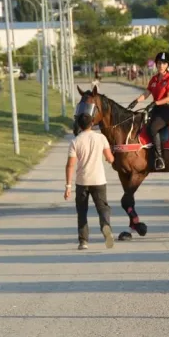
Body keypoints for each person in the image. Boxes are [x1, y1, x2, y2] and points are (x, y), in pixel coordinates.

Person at [65, 107, 115, 250]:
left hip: (82, 181)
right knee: (103, 208)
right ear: (92, 123)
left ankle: (83, 241)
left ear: (79, 126)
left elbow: (70, 165)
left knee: (82, 212)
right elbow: (110, 158)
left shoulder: (75, 141)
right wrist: (110, 158)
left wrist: (68, 186)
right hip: (99, 180)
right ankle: (106, 227)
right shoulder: (101, 138)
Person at [127, 52, 169, 171]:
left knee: (153, 128)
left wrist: (155, 103)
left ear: (167, 65)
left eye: (164, 63)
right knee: (140, 123)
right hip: (156, 108)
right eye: (159, 63)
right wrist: (136, 101)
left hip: (165, 110)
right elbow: (147, 93)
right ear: (156, 64)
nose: (161, 65)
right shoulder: (154, 79)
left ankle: (160, 158)